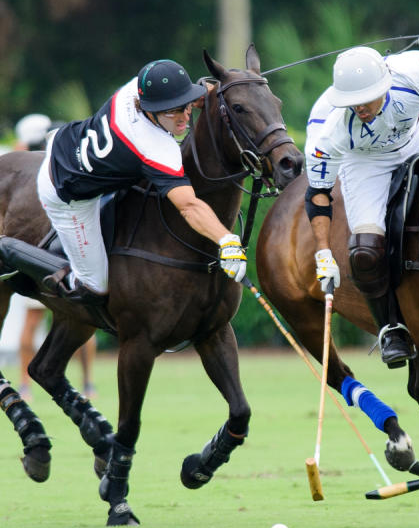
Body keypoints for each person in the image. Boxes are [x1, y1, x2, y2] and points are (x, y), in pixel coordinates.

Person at [304, 46, 419, 367]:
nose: (360, 107)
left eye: (366, 98)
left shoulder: (410, 72)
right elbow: (318, 193)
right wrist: (323, 253)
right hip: (365, 162)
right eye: (352, 101)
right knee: (364, 250)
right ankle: (391, 329)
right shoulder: (330, 132)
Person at [36, 59, 248, 305]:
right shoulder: (155, 148)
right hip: (66, 190)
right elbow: (189, 206)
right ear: (151, 108)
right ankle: (24, 257)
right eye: (173, 110)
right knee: (96, 286)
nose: (184, 116)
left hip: (68, 139)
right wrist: (226, 240)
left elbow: (191, 94)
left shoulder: (137, 87)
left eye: (186, 105)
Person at [15, 114, 96, 400]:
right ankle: (88, 385)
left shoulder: (32, 171)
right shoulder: (68, 165)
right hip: (70, 253)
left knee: (35, 323)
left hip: (41, 254)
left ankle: (25, 385)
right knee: (84, 320)